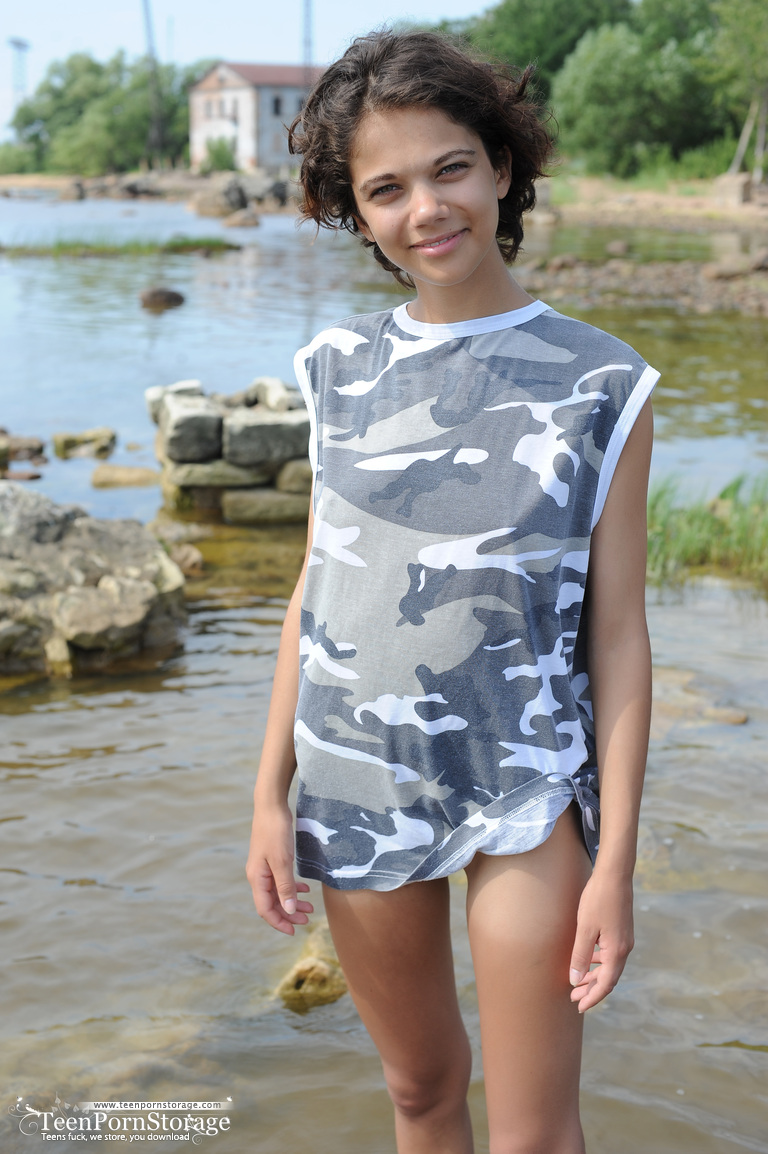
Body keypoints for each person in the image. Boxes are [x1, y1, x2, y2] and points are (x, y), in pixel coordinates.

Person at [246, 28, 656, 1154]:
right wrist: (270, 794)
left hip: (525, 784)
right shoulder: (335, 370)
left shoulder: (605, 381)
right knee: (422, 1090)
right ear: (355, 210)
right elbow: (315, 590)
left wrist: (617, 860)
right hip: (352, 772)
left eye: (450, 169)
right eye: (386, 189)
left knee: (534, 1132)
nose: (426, 208)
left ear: (502, 166)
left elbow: (620, 637)